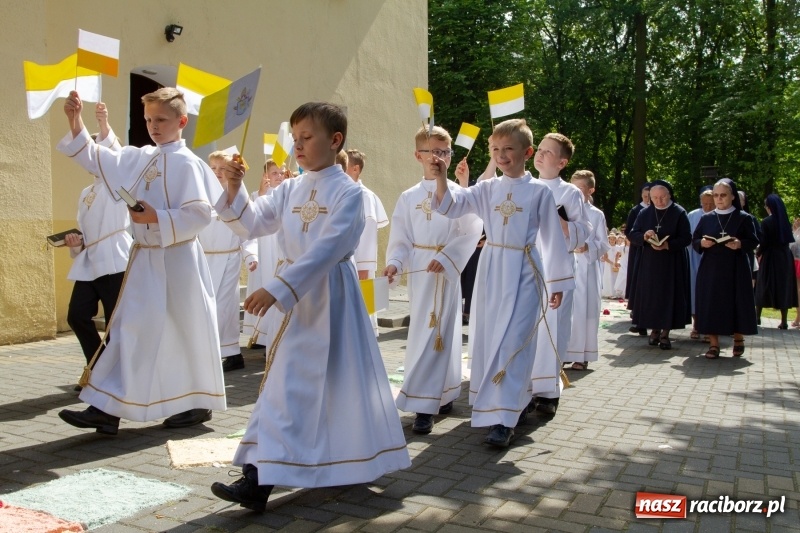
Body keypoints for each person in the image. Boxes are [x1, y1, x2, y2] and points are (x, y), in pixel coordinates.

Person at [210, 102, 410, 511]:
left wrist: (277, 287)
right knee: (288, 388)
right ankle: (264, 475)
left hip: (327, 299)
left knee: (308, 386)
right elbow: (252, 223)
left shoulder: (350, 193)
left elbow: (328, 249)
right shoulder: (289, 188)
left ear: (335, 141)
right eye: (295, 138)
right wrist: (233, 188)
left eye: (307, 138)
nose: (297, 146)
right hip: (293, 302)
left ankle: (266, 479)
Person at [56, 88, 225, 435]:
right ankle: (106, 407)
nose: (153, 126)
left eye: (161, 120)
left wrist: (158, 218)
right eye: (148, 120)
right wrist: (76, 120)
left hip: (179, 260)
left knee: (185, 329)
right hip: (146, 259)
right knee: (127, 328)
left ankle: (196, 402)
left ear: (181, 121)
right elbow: (97, 158)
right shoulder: (140, 157)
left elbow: (201, 214)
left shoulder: (189, 163)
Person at [431, 118, 574, 448]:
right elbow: (450, 207)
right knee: (491, 337)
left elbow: (553, 240)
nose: (501, 155)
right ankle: (504, 405)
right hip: (493, 268)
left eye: (508, 149)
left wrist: (559, 284)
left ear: (527, 151)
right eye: (495, 149)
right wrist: (440, 177)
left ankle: (506, 418)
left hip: (525, 270)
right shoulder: (486, 188)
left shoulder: (539, 192)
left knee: (515, 340)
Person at [383, 126, 482, 434]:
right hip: (419, 270)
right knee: (427, 333)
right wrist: (395, 263)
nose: (438, 158)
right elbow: (401, 237)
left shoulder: (460, 194)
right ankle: (446, 390)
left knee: (437, 331)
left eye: (444, 152)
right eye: (432, 152)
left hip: (444, 271)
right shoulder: (408, 197)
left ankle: (424, 405)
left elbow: (472, 229)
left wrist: (449, 257)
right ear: (418, 156)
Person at [64, 103, 130, 390]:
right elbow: (85, 228)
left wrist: (104, 125)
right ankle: (98, 365)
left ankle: (114, 380)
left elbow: (115, 155)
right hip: (90, 261)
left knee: (117, 325)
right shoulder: (85, 192)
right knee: (76, 316)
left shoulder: (119, 186)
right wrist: (76, 244)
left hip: (115, 260)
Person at [530, 132, 591, 416]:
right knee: (529, 329)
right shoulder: (525, 186)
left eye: (548, 152)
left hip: (558, 267)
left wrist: (562, 222)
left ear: (563, 162)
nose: (540, 154)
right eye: (539, 149)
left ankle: (549, 390)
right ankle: (527, 387)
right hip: (529, 266)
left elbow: (582, 233)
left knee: (554, 327)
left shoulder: (570, 193)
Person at [201, 151, 258, 372]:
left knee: (224, 307)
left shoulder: (236, 197)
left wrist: (250, 256)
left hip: (228, 258)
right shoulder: (203, 194)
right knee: (205, 306)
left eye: (222, 168)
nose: (217, 172)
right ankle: (208, 350)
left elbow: (247, 231)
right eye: (213, 168)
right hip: (205, 257)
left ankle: (231, 353)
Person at [693, 179, 759, 358]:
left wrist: (739, 243)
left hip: (735, 267)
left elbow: (753, 240)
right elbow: (695, 240)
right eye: (716, 195)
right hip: (711, 267)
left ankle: (738, 338)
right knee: (711, 303)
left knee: (735, 303)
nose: (719, 199)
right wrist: (702, 243)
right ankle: (714, 344)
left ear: (732, 196)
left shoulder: (743, 217)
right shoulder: (707, 218)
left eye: (723, 195)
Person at [628, 180, 692, 349]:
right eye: (655, 198)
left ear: (669, 195)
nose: (659, 201)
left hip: (672, 262)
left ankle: (665, 333)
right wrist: (644, 236)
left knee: (669, 296)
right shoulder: (644, 213)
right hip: (649, 262)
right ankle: (654, 330)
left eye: (662, 197)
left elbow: (686, 237)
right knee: (652, 297)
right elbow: (632, 233)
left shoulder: (679, 212)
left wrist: (668, 244)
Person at [564, 172, 610, 371]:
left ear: (590, 190)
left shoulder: (596, 214)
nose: (574, 192)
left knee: (584, 311)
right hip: (566, 264)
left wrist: (588, 248)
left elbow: (604, 243)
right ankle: (564, 351)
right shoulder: (564, 210)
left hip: (586, 268)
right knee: (566, 309)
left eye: (580, 188)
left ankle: (582, 354)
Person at [242, 160, 285, 348]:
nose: (279, 176)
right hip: (264, 252)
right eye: (274, 173)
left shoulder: (288, 194)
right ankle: (261, 336)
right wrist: (260, 193)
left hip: (280, 251)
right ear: (265, 175)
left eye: (281, 172)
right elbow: (249, 224)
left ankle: (276, 333)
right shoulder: (255, 196)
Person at [347, 149, 389, 336]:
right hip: (349, 260)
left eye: (344, 166)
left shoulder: (364, 195)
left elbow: (369, 229)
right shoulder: (346, 191)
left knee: (363, 304)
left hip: (360, 262)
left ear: (355, 169)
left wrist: (363, 265)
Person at [755, 193, 798, 329]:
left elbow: (764, 241)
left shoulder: (766, 222)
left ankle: (757, 317)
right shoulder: (785, 220)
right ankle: (784, 320)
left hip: (770, 256)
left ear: (769, 207)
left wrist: (758, 252)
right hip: (785, 257)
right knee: (783, 286)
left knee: (763, 284)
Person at [687, 187, 715, 339]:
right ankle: (696, 325)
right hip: (694, 257)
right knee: (694, 291)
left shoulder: (719, 216)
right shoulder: (693, 215)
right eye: (704, 204)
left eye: (711, 204)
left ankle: (710, 329)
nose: (708, 207)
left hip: (713, 258)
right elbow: (687, 235)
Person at [624, 183, 651, 334]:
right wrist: (641, 238)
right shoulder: (636, 210)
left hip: (653, 252)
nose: (648, 199)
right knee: (637, 283)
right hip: (638, 250)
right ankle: (637, 315)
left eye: (650, 196)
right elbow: (629, 231)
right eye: (645, 196)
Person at [600, 233, 619, 298]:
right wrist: (612, 263)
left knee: (615, 278)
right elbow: (605, 258)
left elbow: (618, 256)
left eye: (614, 239)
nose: (612, 240)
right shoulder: (607, 247)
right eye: (611, 239)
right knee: (609, 277)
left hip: (615, 264)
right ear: (609, 239)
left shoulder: (617, 247)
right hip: (608, 264)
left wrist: (616, 263)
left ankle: (614, 292)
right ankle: (609, 293)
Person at [791, 218, 800, 328]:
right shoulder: (796, 232)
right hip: (796, 261)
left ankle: (798, 318)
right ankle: (798, 317)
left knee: (798, 291)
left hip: (798, 262)